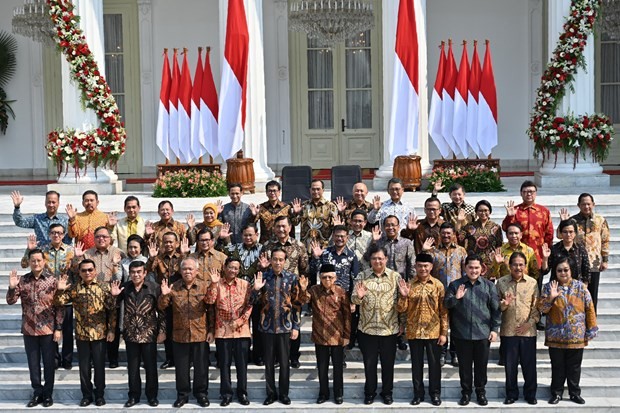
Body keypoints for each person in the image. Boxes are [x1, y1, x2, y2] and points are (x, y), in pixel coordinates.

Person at [54, 259, 116, 407]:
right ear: (79, 273)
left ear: (95, 271)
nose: (87, 273)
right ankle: (87, 395)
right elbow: (58, 302)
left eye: (90, 270)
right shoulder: (75, 289)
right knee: (84, 368)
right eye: (84, 270)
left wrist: (112, 329)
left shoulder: (104, 287)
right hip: (82, 334)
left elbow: (112, 310)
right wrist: (60, 290)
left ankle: (99, 394)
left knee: (100, 366)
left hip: (99, 333)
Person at [7, 249, 63, 408]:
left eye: (39, 260)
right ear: (29, 262)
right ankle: (37, 392)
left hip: (48, 329)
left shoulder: (52, 281)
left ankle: (48, 394)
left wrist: (58, 327)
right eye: (33, 261)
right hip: (29, 329)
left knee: (49, 363)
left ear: (44, 262)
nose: (36, 263)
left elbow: (59, 306)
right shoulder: (23, 280)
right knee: (33, 364)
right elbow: (11, 301)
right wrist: (11, 287)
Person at [251, 248, 308, 406]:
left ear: (285, 261)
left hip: (285, 327)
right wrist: (255, 289)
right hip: (267, 327)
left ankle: (284, 393)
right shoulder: (263, 277)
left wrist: (296, 326)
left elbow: (298, 304)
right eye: (274, 259)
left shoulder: (291, 278)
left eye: (280, 259)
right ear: (270, 261)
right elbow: (252, 301)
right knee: (269, 363)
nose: (277, 262)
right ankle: (270, 393)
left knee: (284, 363)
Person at [538, 257, 598, 405]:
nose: (563, 273)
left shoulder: (581, 287)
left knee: (574, 367)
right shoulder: (548, 287)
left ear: (571, 270)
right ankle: (556, 393)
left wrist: (591, 329)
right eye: (559, 270)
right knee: (557, 366)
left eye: (566, 270)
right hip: (555, 337)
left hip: (576, 336)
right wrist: (551, 298)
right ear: (555, 272)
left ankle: (574, 393)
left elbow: (590, 308)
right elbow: (541, 309)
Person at [445, 254, 501, 406]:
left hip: (483, 334)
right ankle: (466, 393)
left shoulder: (489, 286)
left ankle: (481, 392)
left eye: (477, 267)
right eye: (470, 267)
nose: (474, 270)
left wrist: (495, 329)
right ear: (465, 268)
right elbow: (446, 305)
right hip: (461, 334)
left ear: (481, 268)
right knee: (464, 366)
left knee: (481, 366)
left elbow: (496, 310)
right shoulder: (455, 285)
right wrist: (456, 298)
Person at [352, 244, 404, 406]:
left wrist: (402, 322)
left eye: (380, 258)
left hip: (389, 329)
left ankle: (387, 393)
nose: (377, 261)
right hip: (367, 329)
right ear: (370, 260)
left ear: (386, 259)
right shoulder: (362, 276)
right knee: (369, 364)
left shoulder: (395, 277)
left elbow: (402, 304)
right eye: (374, 258)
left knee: (388, 365)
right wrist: (358, 297)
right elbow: (353, 300)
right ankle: (370, 392)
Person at [158, 257, 214, 408]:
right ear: (180, 271)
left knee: (201, 367)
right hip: (179, 334)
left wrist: (211, 330)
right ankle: (182, 395)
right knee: (181, 368)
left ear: (196, 271)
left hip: (200, 333)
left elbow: (211, 309)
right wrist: (164, 295)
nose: (187, 271)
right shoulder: (173, 287)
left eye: (190, 269)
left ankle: (201, 394)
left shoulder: (204, 286)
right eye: (184, 269)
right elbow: (162, 307)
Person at [20, 224, 75, 370]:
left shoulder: (70, 250)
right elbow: (25, 264)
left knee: (67, 330)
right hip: (47, 297)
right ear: (49, 234)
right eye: (53, 233)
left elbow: (77, 270)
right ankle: (54, 359)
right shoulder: (43, 250)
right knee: (51, 332)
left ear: (64, 235)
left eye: (59, 233)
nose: (56, 235)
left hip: (65, 296)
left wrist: (79, 257)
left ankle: (67, 359)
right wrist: (29, 250)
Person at [111, 261, 165, 408]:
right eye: (133, 272)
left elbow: (162, 311)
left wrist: (162, 331)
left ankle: (152, 396)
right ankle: (134, 396)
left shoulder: (154, 288)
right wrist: (114, 296)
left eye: (139, 272)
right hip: (131, 334)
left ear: (144, 273)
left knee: (150, 367)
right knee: (133, 368)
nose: (136, 275)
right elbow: (113, 307)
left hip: (149, 333)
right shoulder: (125, 287)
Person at [397, 253, 448, 406]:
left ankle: (435, 394)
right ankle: (418, 394)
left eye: (426, 266)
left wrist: (444, 333)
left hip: (433, 331)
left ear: (431, 267)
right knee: (416, 366)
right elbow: (401, 309)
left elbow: (443, 311)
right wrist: (404, 296)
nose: (423, 269)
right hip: (414, 331)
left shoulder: (438, 285)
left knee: (434, 365)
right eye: (420, 266)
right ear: (415, 266)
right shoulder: (409, 284)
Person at [73, 226, 126, 368]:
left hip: (112, 292)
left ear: (110, 239)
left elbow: (124, 272)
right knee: (94, 327)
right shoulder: (87, 253)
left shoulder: (118, 252)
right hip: (92, 293)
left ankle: (112, 358)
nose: (101, 239)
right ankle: (92, 358)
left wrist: (116, 265)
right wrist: (77, 257)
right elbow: (75, 270)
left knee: (113, 325)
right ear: (94, 239)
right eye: (98, 236)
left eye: (104, 236)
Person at [299, 264, 351, 405]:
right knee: (322, 367)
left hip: (337, 336)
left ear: (335, 277)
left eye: (330, 277)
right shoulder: (314, 290)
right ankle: (323, 393)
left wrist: (346, 335)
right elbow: (303, 301)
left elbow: (347, 315)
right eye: (324, 277)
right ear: (320, 278)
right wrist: (303, 290)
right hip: (320, 335)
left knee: (338, 368)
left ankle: (338, 394)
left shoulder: (341, 292)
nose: (327, 279)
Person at [205, 258, 253, 406]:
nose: (233, 270)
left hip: (241, 330)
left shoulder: (245, 285)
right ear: (224, 267)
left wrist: (240, 321)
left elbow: (249, 305)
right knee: (224, 364)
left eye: (236, 268)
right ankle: (226, 394)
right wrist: (213, 284)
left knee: (241, 364)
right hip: (222, 330)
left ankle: (242, 393)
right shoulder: (216, 283)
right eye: (230, 267)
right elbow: (209, 301)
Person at [262, 216, 308, 367]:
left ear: (290, 227)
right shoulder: (267, 246)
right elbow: (262, 267)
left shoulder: (299, 245)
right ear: (274, 228)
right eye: (278, 226)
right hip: (273, 290)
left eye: (284, 226)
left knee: (295, 321)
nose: (281, 229)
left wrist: (301, 286)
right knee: (276, 326)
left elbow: (305, 268)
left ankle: (294, 356)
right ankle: (276, 358)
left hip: (292, 290)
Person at [496, 252, 540, 405]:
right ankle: (511, 394)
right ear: (510, 266)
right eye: (515, 264)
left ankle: (530, 394)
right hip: (508, 331)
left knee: (529, 366)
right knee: (510, 366)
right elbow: (496, 307)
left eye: (521, 264)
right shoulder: (501, 282)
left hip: (528, 332)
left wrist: (529, 323)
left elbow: (536, 307)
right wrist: (504, 304)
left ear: (525, 266)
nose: (518, 267)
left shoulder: (533, 283)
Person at [421, 222, 467, 367]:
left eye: (449, 233)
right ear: (439, 234)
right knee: (440, 324)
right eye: (443, 233)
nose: (446, 235)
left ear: (453, 234)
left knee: (456, 325)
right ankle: (441, 354)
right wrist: (424, 251)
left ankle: (455, 354)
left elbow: (465, 272)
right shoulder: (433, 252)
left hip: (456, 294)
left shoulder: (461, 251)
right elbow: (423, 268)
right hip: (438, 294)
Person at [224, 224, 266, 365]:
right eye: (245, 235)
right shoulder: (235, 249)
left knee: (258, 327)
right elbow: (220, 254)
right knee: (242, 328)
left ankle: (258, 355)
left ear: (257, 234)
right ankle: (243, 355)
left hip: (259, 295)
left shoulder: (263, 249)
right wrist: (222, 239)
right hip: (239, 297)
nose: (248, 237)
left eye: (250, 235)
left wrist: (266, 268)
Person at [146, 231, 190, 369]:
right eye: (166, 242)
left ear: (176, 243)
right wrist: (151, 258)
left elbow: (187, 270)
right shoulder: (158, 258)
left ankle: (186, 359)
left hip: (180, 296)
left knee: (183, 327)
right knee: (167, 327)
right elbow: (148, 270)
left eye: (171, 242)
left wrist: (184, 255)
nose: (168, 244)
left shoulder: (182, 256)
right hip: (164, 296)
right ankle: (170, 358)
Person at [559, 193, 609, 311]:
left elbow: (605, 240)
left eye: (588, 204)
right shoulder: (573, 221)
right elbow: (560, 235)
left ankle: (591, 323)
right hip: (576, 262)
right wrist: (563, 222)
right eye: (583, 204)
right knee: (575, 295)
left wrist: (605, 260)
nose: (586, 207)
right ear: (578, 205)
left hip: (594, 263)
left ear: (593, 204)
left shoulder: (600, 220)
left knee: (592, 295)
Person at [502, 180, 554, 287]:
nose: (529, 194)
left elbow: (549, 234)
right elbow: (506, 229)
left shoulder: (544, 211)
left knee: (535, 287)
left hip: (537, 255)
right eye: (525, 191)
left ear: (536, 193)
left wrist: (546, 255)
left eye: (531, 191)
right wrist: (510, 217)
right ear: (521, 193)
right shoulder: (515, 210)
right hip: (518, 257)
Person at [461, 200, 503, 279]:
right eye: (480, 211)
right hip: (474, 263)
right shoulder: (470, 226)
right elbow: (460, 239)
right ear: (476, 212)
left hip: (491, 263)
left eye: (485, 210)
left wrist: (498, 262)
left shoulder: (496, 227)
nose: (483, 213)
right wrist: (460, 222)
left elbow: (499, 244)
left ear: (490, 211)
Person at [291, 179, 338, 250]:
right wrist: (295, 213)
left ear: (323, 190)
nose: (315, 192)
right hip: (306, 247)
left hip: (324, 247)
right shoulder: (304, 206)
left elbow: (336, 226)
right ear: (310, 190)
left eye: (318, 189)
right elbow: (295, 223)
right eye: (313, 189)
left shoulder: (331, 206)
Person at [542, 219, 590, 285]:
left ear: (575, 233)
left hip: (576, 288)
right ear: (561, 233)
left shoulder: (580, 249)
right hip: (556, 287)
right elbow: (545, 271)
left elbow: (586, 270)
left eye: (571, 232)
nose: (568, 234)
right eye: (565, 232)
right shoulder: (554, 249)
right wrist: (545, 258)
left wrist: (584, 287)